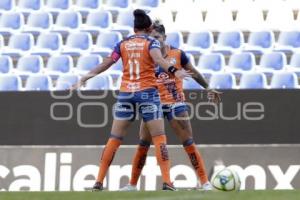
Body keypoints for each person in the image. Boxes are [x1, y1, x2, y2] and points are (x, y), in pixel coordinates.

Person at [72, 9, 192, 191]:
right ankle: (168, 182)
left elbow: (107, 62)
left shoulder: (122, 44)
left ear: (134, 28)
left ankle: (98, 183)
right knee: (159, 138)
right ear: (149, 27)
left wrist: (85, 77)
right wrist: (175, 71)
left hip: (126, 94)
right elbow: (159, 59)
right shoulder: (151, 42)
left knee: (114, 138)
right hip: (147, 94)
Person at [120, 21, 222, 191]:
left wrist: (208, 87)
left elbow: (194, 72)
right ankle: (132, 185)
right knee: (143, 144)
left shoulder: (178, 54)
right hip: (153, 104)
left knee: (188, 142)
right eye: (150, 37)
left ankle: (205, 182)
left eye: (157, 37)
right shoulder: (146, 56)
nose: (153, 41)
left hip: (176, 104)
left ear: (164, 37)